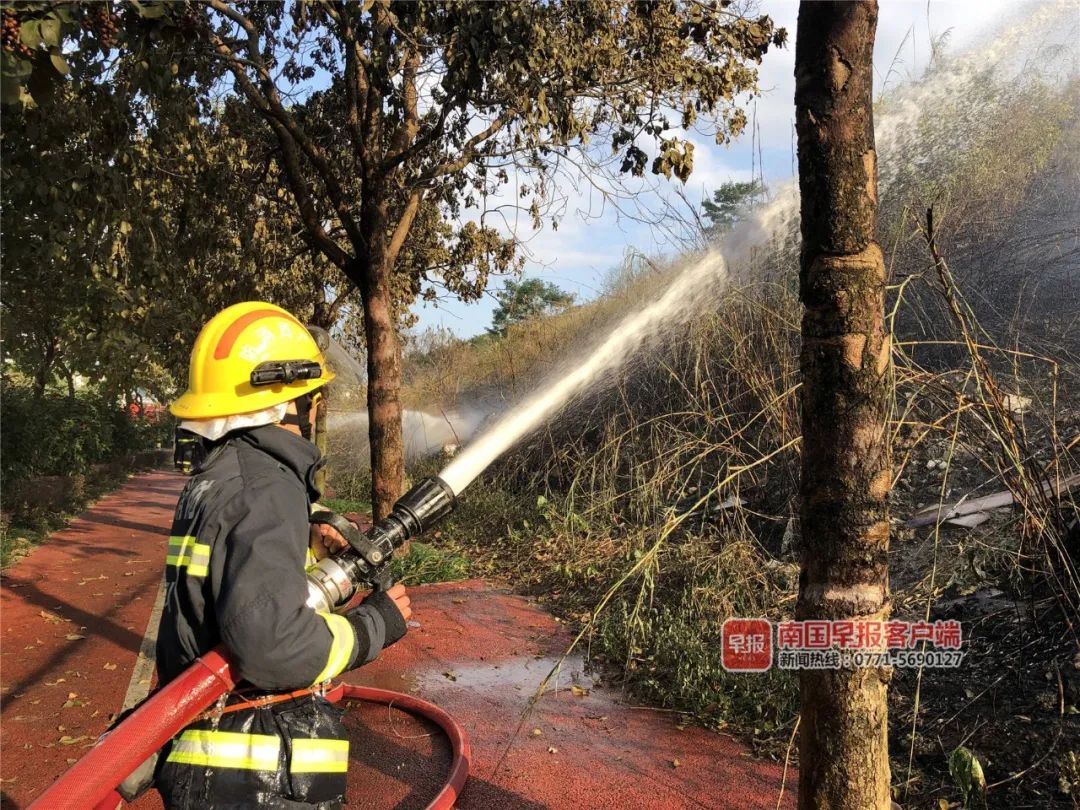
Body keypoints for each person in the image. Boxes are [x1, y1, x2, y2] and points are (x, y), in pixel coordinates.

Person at [154, 301, 411, 809]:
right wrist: (374, 626)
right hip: (251, 775)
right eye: (312, 396)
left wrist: (303, 549)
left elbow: (233, 586)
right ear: (297, 402)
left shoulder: (219, 478)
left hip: (209, 756)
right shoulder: (264, 488)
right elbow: (272, 646)